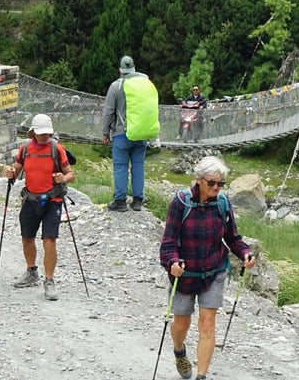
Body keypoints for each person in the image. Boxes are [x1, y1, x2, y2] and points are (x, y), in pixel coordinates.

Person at [159, 155, 257, 380]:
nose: (216, 188)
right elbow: (168, 243)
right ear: (198, 180)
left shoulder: (222, 204)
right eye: (211, 183)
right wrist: (172, 262)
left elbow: (232, 237)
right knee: (181, 324)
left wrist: (244, 253)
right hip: (184, 274)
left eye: (220, 184)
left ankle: (201, 376)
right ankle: (179, 350)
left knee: (208, 323)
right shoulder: (181, 202)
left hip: (214, 271)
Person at [5, 114, 75, 301]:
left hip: (53, 200)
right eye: (41, 133)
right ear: (33, 132)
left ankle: (49, 281)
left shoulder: (56, 149)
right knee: (27, 238)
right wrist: (11, 172)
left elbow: (70, 174)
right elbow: (17, 167)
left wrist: (63, 178)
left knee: (49, 239)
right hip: (30, 199)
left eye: (47, 133)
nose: (45, 136)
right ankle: (31, 272)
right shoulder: (26, 148)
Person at [102, 55, 151, 212]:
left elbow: (108, 112)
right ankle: (137, 201)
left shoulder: (116, 86)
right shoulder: (144, 84)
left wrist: (105, 132)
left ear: (120, 70)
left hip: (121, 133)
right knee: (138, 166)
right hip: (142, 133)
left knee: (120, 167)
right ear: (134, 67)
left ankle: (120, 201)